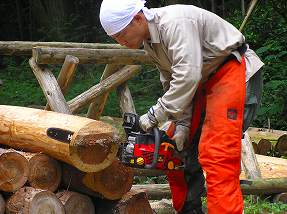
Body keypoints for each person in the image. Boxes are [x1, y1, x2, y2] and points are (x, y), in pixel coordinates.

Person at [100, 0, 264, 213]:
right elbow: (174, 83)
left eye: (121, 35)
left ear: (138, 18)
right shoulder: (151, 41)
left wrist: (153, 116)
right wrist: (183, 125)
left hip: (230, 70)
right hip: (200, 84)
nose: (120, 42)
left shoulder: (175, 23)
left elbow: (187, 76)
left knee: (217, 154)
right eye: (115, 39)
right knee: (174, 152)